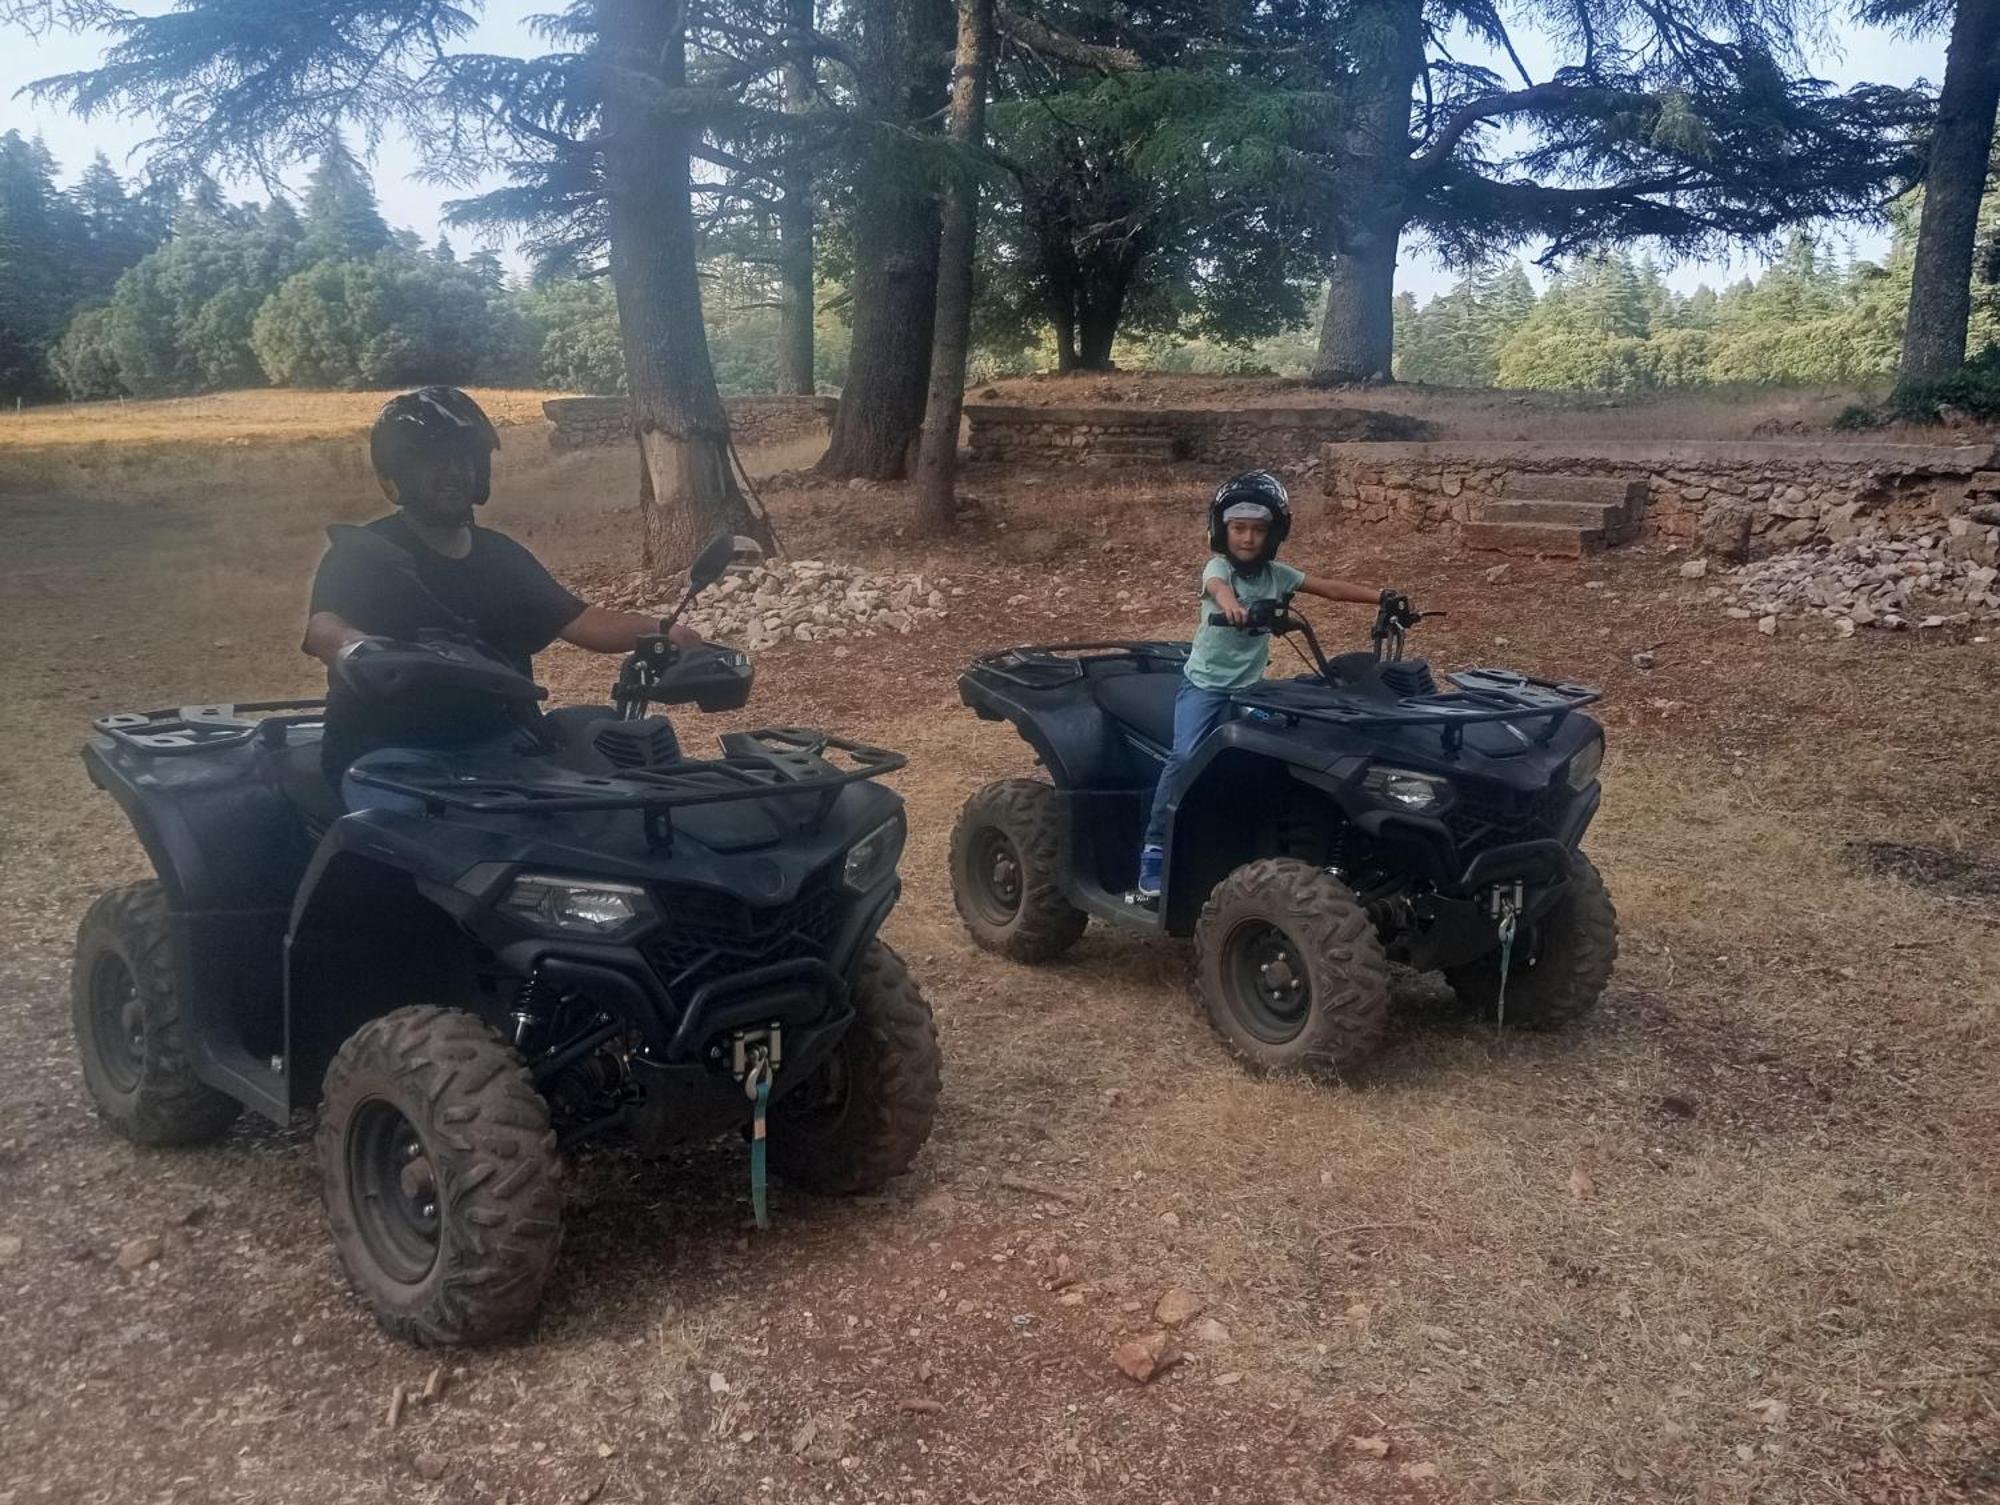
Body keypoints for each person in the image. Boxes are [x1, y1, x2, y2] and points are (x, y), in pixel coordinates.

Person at [302, 385, 699, 809]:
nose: (453, 470)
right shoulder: (366, 553)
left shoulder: (500, 555)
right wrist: (356, 648)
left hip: (500, 748)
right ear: (397, 474)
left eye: (463, 458)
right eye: (433, 460)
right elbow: (324, 627)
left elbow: (581, 620)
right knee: (418, 841)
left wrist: (666, 631)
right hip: (391, 755)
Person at [1135, 471, 1393, 900]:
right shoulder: (1218, 569)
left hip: (1251, 689)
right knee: (1183, 758)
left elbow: (1326, 587)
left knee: (1291, 743)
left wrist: (1381, 596)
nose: (1248, 539)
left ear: (1274, 534)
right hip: (1205, 687)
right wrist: (1233, 606)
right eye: (1239, 529)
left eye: (1258, 530)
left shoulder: (1278, 574)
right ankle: (1156, 846)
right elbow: (1217, 588)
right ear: (1223, 530)